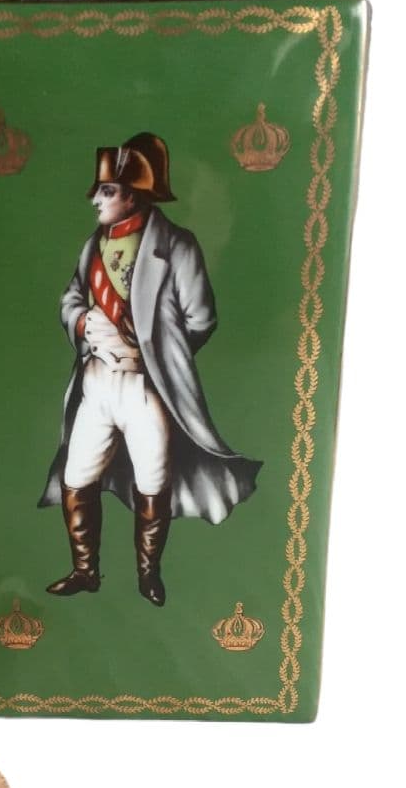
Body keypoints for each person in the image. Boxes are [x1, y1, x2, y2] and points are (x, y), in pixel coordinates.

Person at [39, 132, 261, 606]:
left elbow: (200, 320)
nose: (96, 200)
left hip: (146, 387)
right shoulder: (94, 245)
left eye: (107, 191)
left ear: (134, 193)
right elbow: (72, 297)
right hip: (97, 382)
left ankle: (149, 575)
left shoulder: (177, 246)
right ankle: (86, 571)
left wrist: (155, 352)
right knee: (77, 478)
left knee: (153, 482)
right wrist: (83, 322)